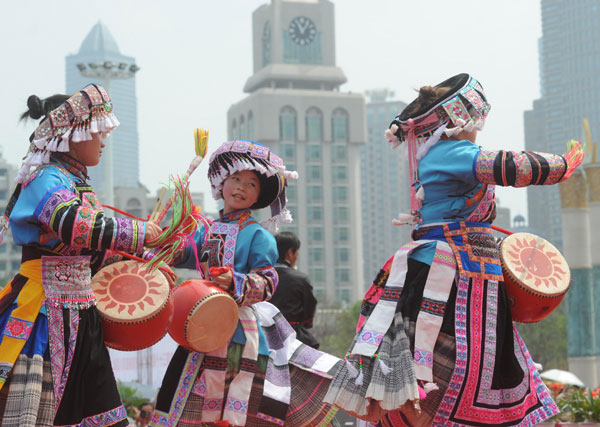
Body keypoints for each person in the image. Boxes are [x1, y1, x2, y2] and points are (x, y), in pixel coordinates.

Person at [324, 73, 584, 426]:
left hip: (453, 267)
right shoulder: (453, 152)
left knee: (443, 362)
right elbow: (508, 166)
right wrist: (561, 166)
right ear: (461, 120)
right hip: (452, 271)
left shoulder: (433, 156)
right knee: (454, 359)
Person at [0, 84, 162, 426]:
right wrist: (137, 233)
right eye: (98, 133)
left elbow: (91, 253)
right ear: (74, 134)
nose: (104, 141)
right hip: (43, 308)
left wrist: (145, 261)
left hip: (81, 311)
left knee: (104, 415)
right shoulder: (47, 178)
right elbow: (73, 224)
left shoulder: (78, 185)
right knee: (39, 413)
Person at [151, 140, 342, 427]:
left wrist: (235, 281)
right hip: (200, 327)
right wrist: (159, 241)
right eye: (235, 179)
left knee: (236, 406)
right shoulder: (205, 230)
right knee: (187, 398)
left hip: (239, 329)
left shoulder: (258, 236)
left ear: (258, 196)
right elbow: (185, 253)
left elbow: (267, 281)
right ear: (221, 184)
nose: (241, 187)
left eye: (251, 184)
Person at [270, 231, 320, 349]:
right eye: (296, 253)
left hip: (264, 334)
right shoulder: (300, 279)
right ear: (290, 253)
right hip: (293, 336)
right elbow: (309, 308)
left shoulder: (261, 277)